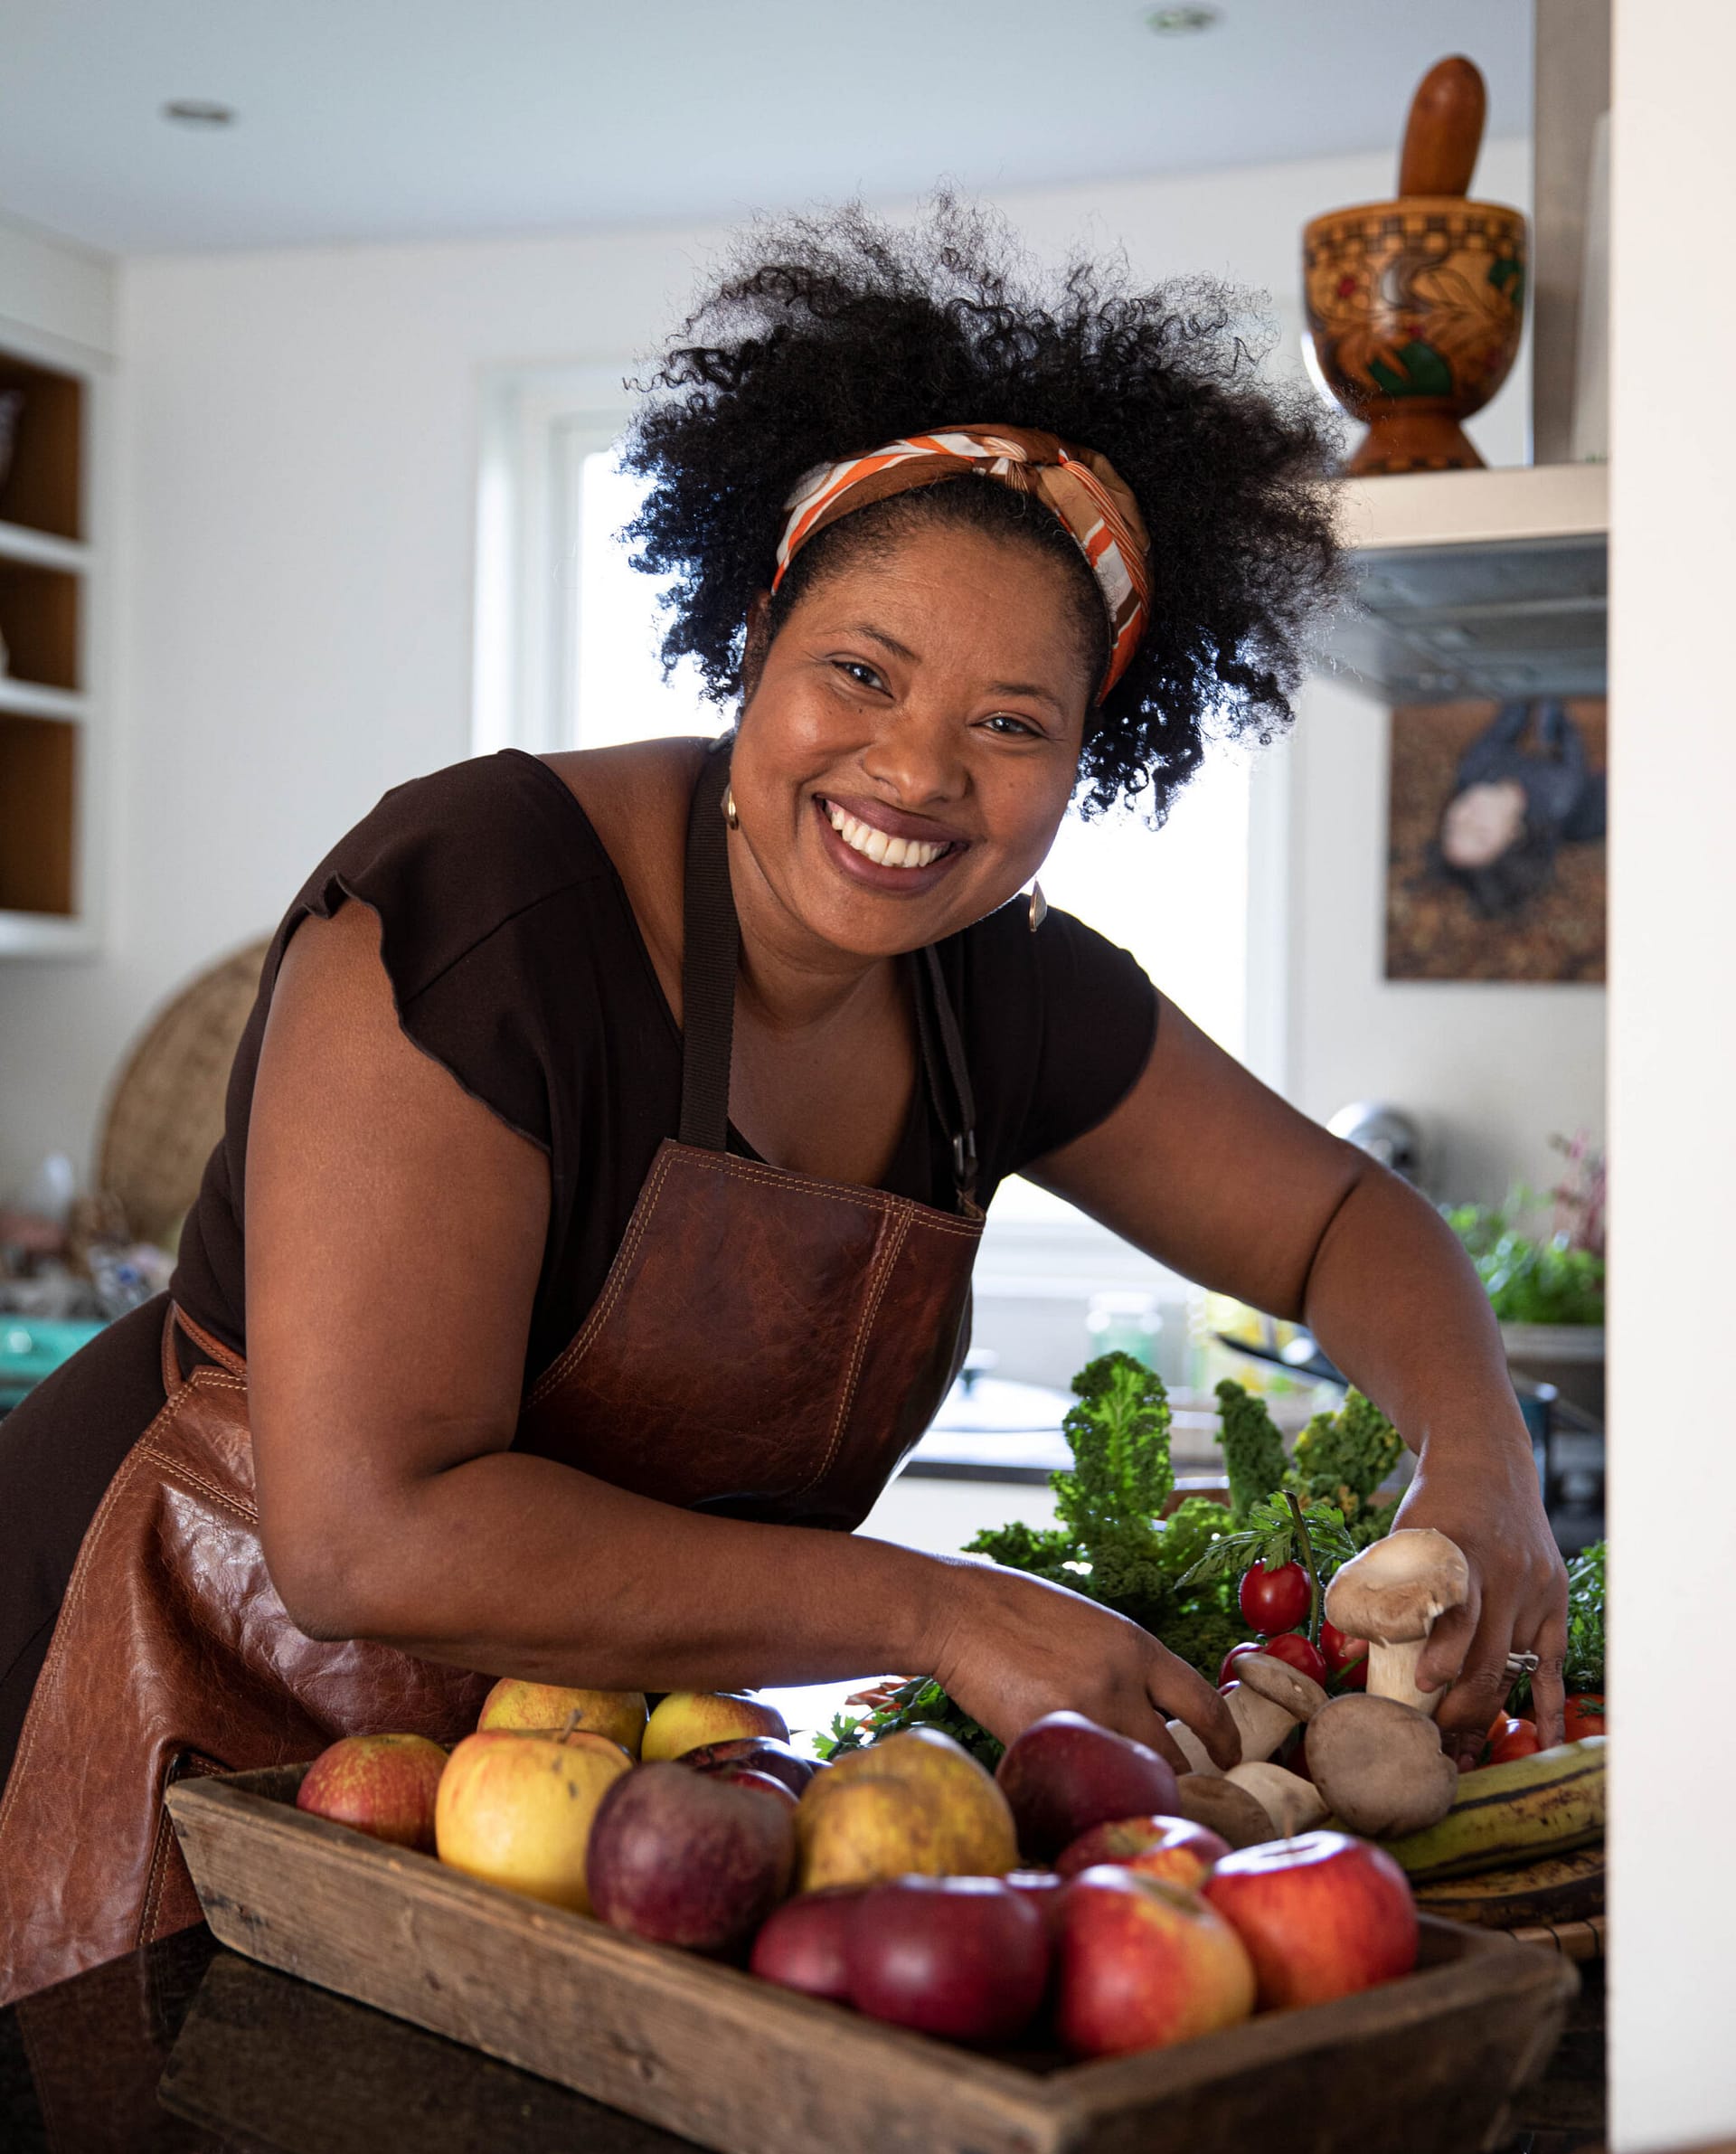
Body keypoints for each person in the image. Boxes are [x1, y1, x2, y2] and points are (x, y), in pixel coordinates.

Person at [0, 202, 1567, 1998]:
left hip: (564, 1790)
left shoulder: (1006, 991)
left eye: (1013, 724)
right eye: (862, 674)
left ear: (1089, 756)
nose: (916, 772)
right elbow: (366, 1538)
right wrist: (936, 1608)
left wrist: (1484, 1461)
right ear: (759, 636)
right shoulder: (485, 903)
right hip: (156, 1690)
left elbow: (1342, 1217)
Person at [1436, 699, 1609, 918]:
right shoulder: (1557, 798)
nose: (1470, 818)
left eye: (1454, 827)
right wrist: (1549, 713)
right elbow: (1567, 733)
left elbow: (1511, 714)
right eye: (1481, 833)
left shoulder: (1472, 772)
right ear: (1513, 834)